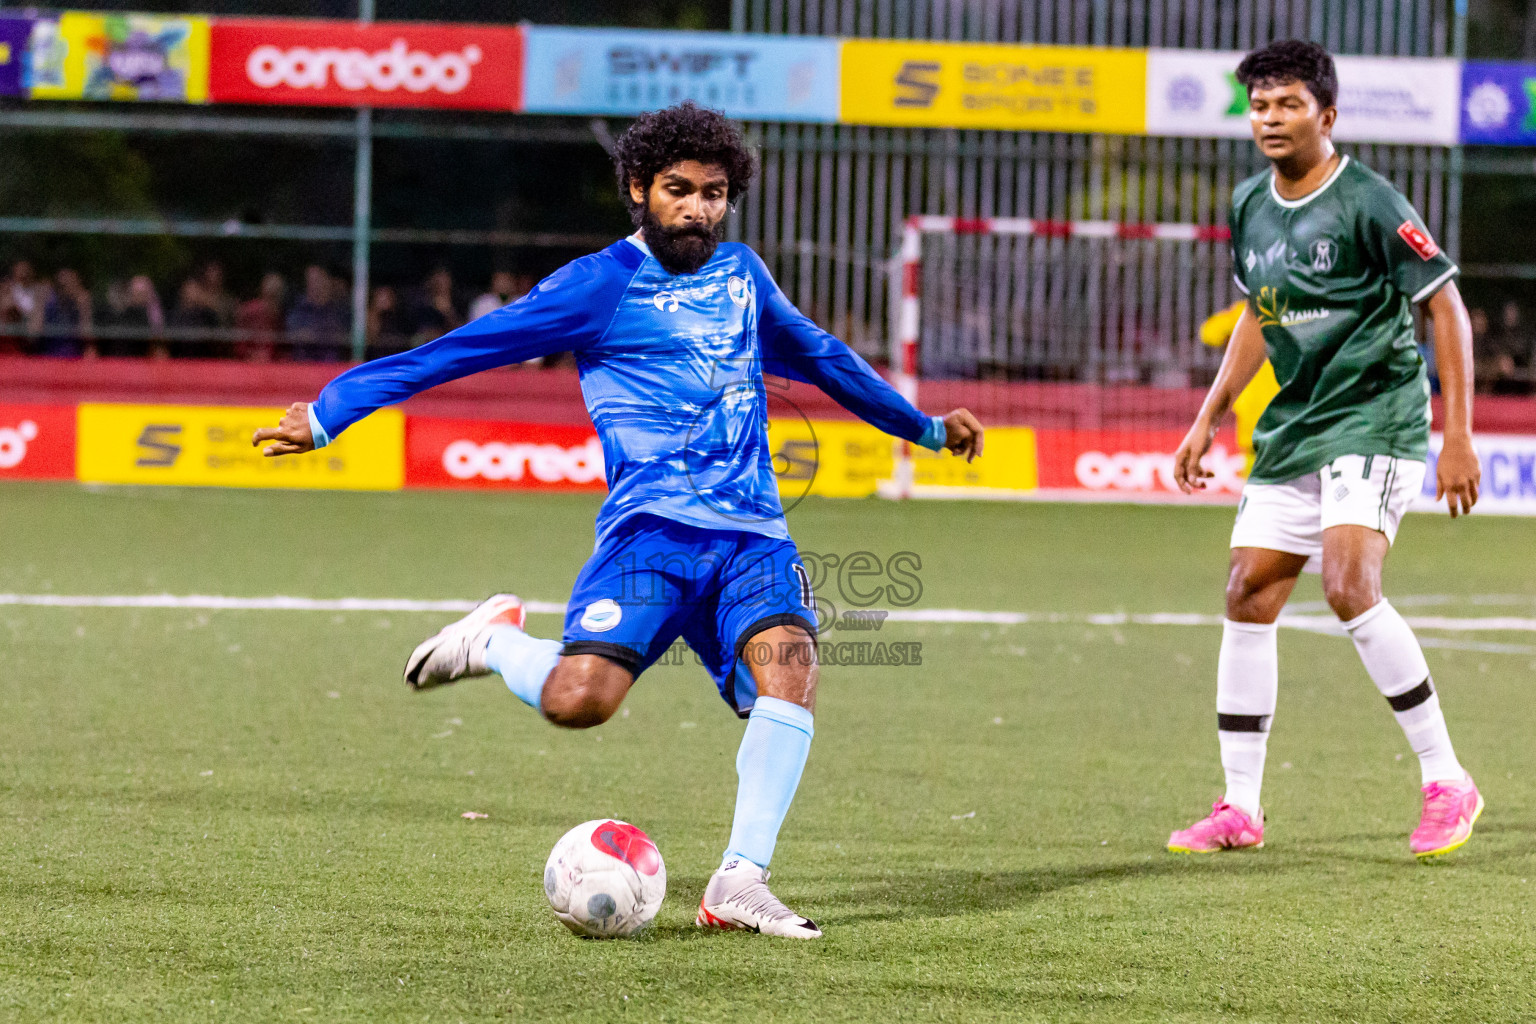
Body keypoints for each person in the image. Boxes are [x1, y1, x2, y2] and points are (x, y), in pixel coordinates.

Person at [253, 102, 983, 938]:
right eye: (679, 190)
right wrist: (328, 412)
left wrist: (921, 426)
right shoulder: (599, 285)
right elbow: (461, 348)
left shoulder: (742, 276)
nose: (698, 209)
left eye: (714, 194)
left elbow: (822, 358)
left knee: (791, 669)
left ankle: (740, 882)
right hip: (650, 538)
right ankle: (493, 641)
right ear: (639, 188)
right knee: (580, 702)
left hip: (753, 537)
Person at [1168, 41, 1483, 860]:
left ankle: (1447, 779)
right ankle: (1240, 807)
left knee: (1348, 586)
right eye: (1260, 107)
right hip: (1296, 425)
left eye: (1288, 105)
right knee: (1246, 593)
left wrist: (1457, 435)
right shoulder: (1249, 205)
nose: (1270, 120)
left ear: (1327, 116)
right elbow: (1258, 316)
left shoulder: (1371, 200)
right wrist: (1209, 416)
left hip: (1375, 416)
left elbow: (1446, 308)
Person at [284, 265, 349, 361]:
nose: (316, 285)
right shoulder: (298, 310)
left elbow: (347, 336)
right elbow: (290, 334)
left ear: (328, 281)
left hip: (334, 366)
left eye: (319, 280)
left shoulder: (339, 310)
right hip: (303, 365)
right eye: (312, 281)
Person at [39, 267, 95, 358]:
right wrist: (40, 303)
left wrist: (84, 307)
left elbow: (87, 335)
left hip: (74, 356)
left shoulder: (80, 302)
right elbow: (35, 334)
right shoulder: (49, 303)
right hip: (49, 354)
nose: (66, 289)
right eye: (61, 286)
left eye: (70, 283)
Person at [235, 272, 286, 362]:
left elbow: (283, 347)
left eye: (277, 290)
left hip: (273, 364)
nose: (273, 290)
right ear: (263, 289)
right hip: (247, 362)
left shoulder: (281, 316)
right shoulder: (249, 311)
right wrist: (250, 355)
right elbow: (237, 341)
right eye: (270, 289)